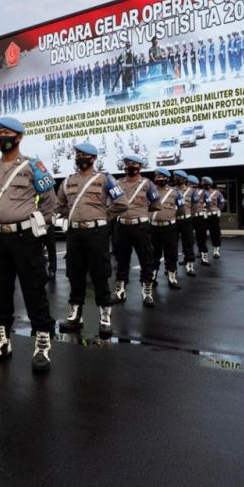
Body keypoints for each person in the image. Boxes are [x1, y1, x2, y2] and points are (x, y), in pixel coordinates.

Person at [0, 116, 57, 373]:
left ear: (19, 137)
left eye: (7, 134)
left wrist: (38, 225)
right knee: (0, 291)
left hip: (25, 238)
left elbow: (49, 201)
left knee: (34, 289)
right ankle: (2, 340)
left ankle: (42, 342)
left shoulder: (34, 166)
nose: (2, 138)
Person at [56, 142, 122, 339]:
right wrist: (76, 216)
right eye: (77, 154)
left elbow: (122, 203)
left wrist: (103, 216)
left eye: (83, 155)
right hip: (75, 234)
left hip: (97, 233)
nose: (79, 158)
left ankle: (105, 316)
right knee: (75, 274)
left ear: (93, 158)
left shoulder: (105, 179)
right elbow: (60, 205)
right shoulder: (67, 181)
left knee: (100, 274)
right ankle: (75, 314)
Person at [109, 155, 160, 306]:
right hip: (122, 226)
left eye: (133, 164)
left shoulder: (147, 184)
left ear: (140, 167)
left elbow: (156, 204)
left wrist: (141, 211)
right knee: (121, 260)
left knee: (146, 260)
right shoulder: (117, 183)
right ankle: (120, 291)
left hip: (141, 226)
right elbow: (111, 203)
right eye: (127, 164)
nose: (130, 166)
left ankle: (147, 292)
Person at [149, 168, 184, 290]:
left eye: (163, 177)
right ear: (155, 179)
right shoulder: (150, 190)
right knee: (154, 254)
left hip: (169, 227)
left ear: (167, 178)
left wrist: (170, 217)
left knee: (171, 253)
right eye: (158, 177)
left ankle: (172, 278)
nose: (160, 179)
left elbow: (181, 209)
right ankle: (153, 277)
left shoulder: (175, 192)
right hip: (153, 227)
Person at [174, 170, 198, 276]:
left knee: (188, 243)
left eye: (177, 177)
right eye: (174, 177)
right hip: (173, 220)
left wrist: (190, 216)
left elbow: (194, 206)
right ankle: (171, 267)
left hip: (186, 220)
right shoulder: (171, 190)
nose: (175, 179)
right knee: (171, 245)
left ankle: (189, 266)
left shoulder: (191, 191)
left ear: (184, 179)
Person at [200, 176, 226, 261]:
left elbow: (222, 202)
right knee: (201, 234)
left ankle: (216, 250)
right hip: (202, 215)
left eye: (206, 183)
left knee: (215, 233)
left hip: (213, 215)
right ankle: (202, 251)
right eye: (203, 183)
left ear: (210, 184)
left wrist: (219, 210)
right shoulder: (199, 192)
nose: (204, 184)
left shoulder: (217, 193)